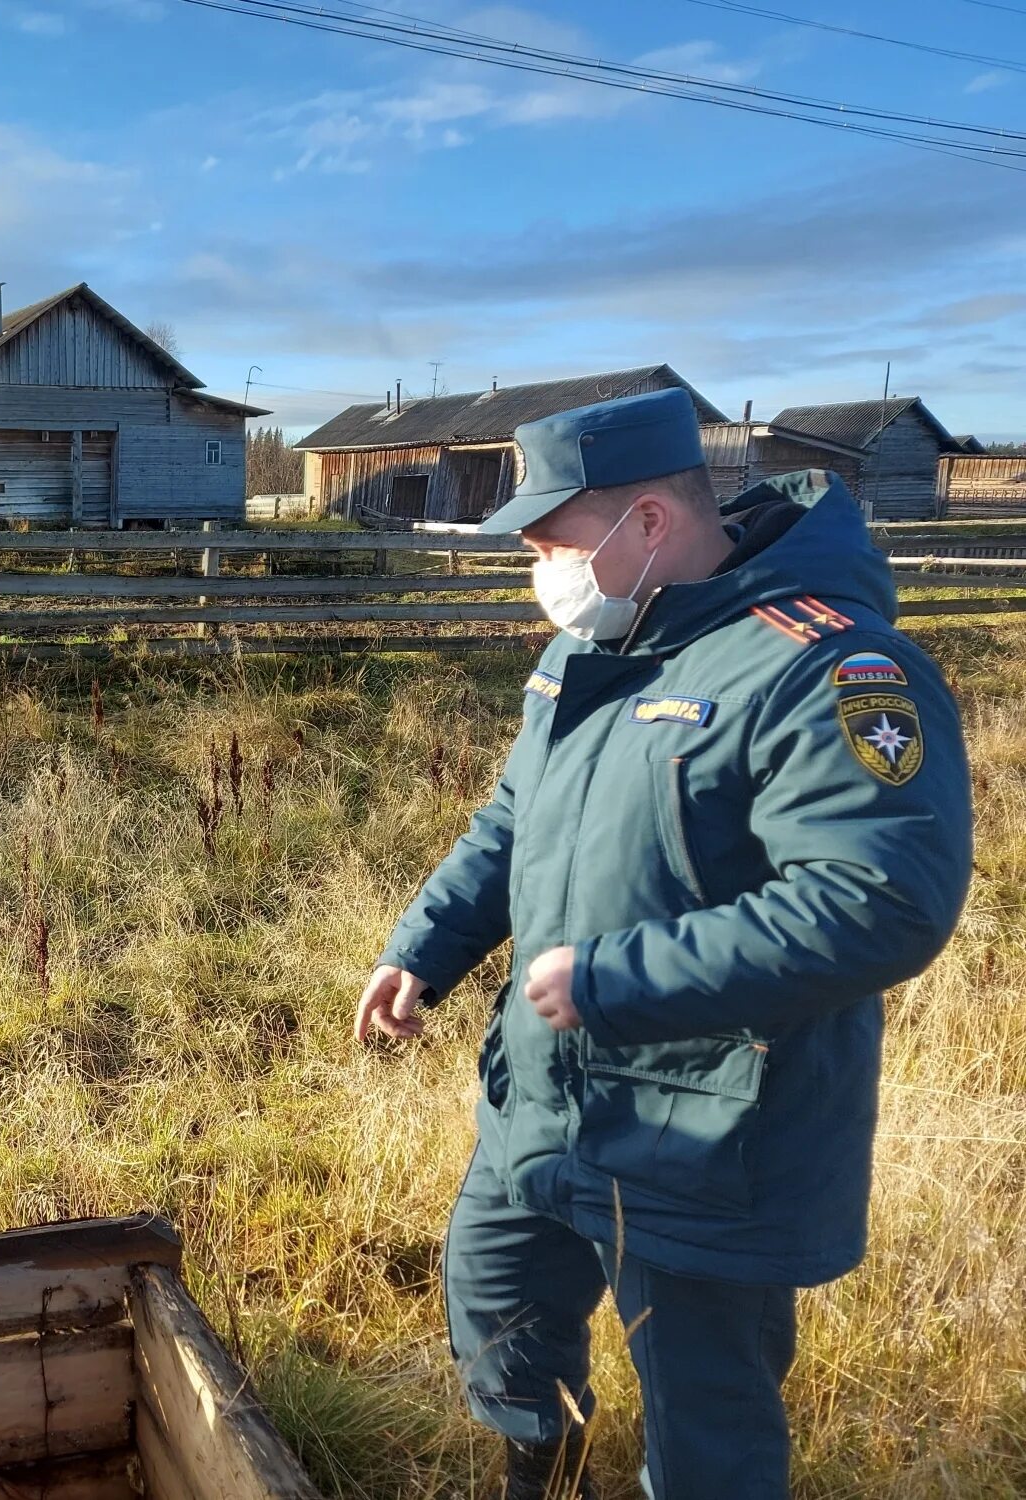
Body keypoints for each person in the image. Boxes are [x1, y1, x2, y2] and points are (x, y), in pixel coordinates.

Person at [355, 389, 973, 1499]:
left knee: (705, 1414)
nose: (534, 569)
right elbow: (512, 818)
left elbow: (876, 898)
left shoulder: (817, 668)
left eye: (550, 542)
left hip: (709, 1128)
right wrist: (424, 948)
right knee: (495, 1305)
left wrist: (610, 980)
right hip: (544, 1099)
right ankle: (540, 1476)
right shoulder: (590, 651)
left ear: (646, 523)